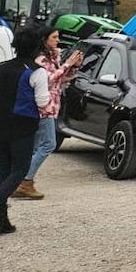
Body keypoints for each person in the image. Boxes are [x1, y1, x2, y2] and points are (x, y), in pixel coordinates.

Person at [0, 26, 50, 238]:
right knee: (20, 169)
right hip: (21, 125)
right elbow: (43, 101)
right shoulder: (36, 71)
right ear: (38, 47)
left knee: (3, 171)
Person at [15, 25, 81, 200]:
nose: (57, 40)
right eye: (54, 37)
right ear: (44, 39)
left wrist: (73, 68)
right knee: (48, 144)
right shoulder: (41, 60)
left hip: (51, 106)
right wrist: (67, 64)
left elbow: (61, 80)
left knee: (36, 146)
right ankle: (25, 181)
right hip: (43, 108)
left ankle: (21, 180)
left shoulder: (53, 58)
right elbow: (48, 81)